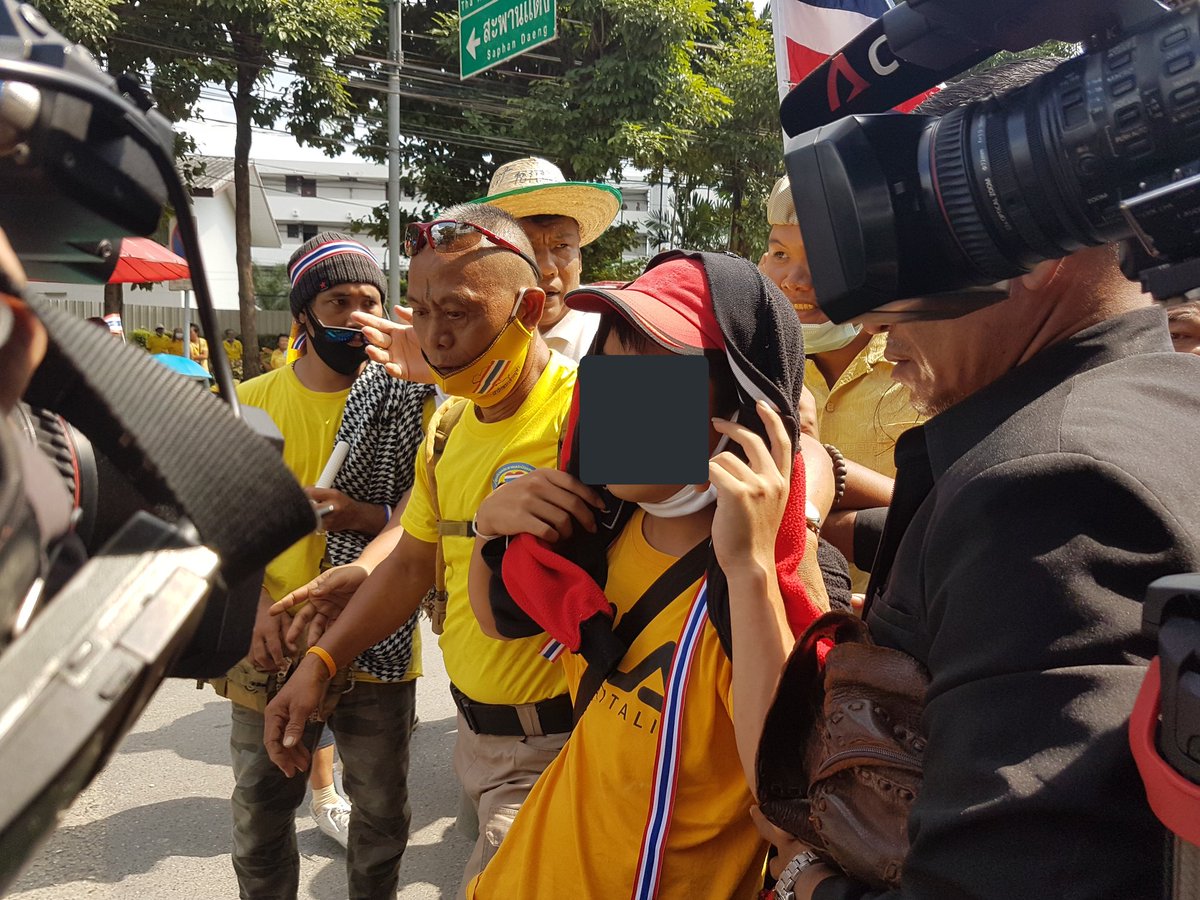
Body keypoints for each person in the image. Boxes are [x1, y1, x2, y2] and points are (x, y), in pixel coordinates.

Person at [758, 62, 1200, 900]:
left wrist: (805, 878)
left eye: (907, 253)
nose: (876, 317)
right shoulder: (1168, 398)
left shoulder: (1045, 489)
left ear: (1032, 237)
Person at [462, 250, 831, 898]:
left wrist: (750, 569)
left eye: (657, 380)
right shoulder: (601, 530)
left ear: (743, 411)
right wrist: (487, 530)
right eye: (609, 374)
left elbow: (781, 790)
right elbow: (497, 620)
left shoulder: (762, 592)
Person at [263, 205, 579, 896]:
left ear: (528, 308)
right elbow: (411, 562)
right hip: (479, 741)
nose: (434, 337)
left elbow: (725, 475)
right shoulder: (449, 423)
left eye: (458, 313)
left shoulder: (593, 405)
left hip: (567, 747)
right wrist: (321, 662)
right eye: (423, 310)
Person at [218, 232, 431, 900]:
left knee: (381, 815)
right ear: (302, 314)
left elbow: (423, 510)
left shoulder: (410, 400)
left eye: (372, 301)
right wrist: (253, 608)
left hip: (373, 635)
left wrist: (362, 515)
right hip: (272, 638)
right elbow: (218, 521)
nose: (359, 317)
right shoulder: (250, 403)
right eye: (339, 301)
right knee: (260, 812)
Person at [759, 175, 923, 589]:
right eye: (780, 254)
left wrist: (817, 472)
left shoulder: (925, 367)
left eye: (823, 256)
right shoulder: (753, 368)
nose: (795, 279)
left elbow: (952, 511)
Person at [473, 156, 621, 361]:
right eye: (527, 249)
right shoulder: (471, 338)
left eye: (561, 246)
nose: (546, 268)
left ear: (579, 259)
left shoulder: (615, 339)